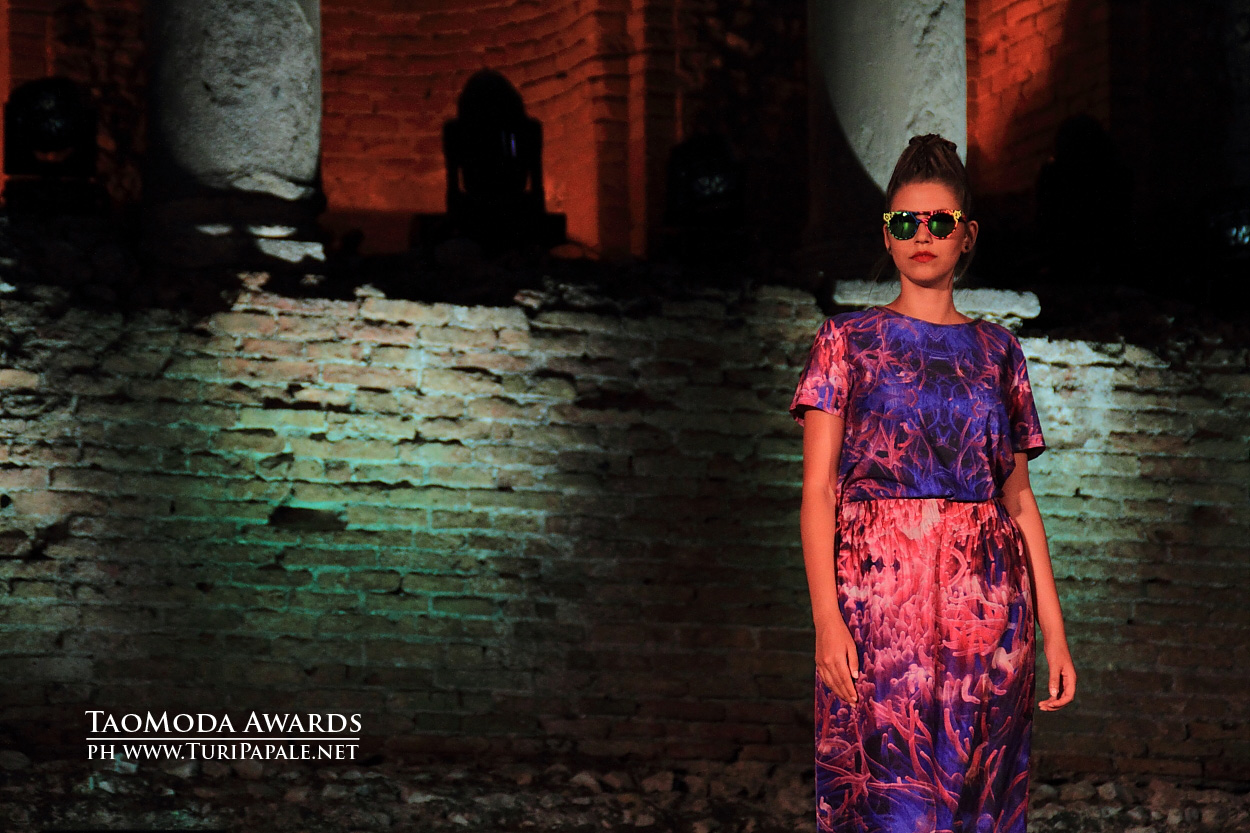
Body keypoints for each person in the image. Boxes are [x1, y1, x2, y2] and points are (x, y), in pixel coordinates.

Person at [789, 134, 1076, 833]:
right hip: (878, 610)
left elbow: (1019, 499)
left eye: (940, 222)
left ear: (966, 235)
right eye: (905, 221)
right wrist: (826, 617)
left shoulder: (999, 350)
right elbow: (819, 491)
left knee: (979, 801)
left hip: (990, 610)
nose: (922, 235)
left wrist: (1055, 631)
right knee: (884, 799)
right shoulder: (845, 341)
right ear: (886, 234)